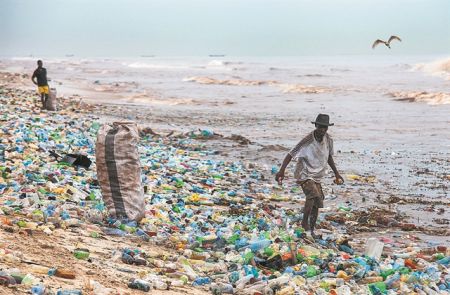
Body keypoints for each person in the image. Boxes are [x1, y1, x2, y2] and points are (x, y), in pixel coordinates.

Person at [275, 114, 344, 237]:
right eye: (321, 127)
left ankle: (311, 230)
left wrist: (337, 173)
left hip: (317, 175)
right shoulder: (308, 140)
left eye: (325, 128)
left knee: (318, 202)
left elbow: (329, 157)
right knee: (313, 195)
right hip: (304, 173)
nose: (323, 130)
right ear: (316, 125)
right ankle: (304, 223)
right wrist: (281, 171)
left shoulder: (328, 139)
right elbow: (291, 154)